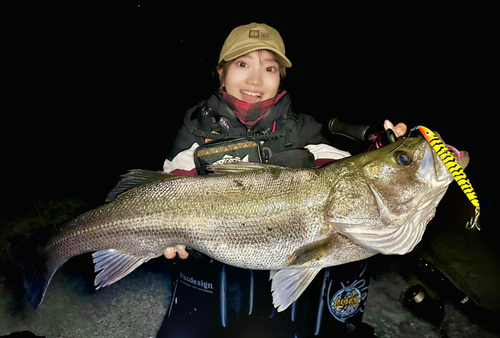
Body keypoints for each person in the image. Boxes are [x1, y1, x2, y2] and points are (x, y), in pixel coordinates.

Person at [157, 23, 407, 338]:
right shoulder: (193, 129)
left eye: (270, 68)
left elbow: (341, 173)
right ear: (221, 72)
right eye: (242, 64)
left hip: (280, 265)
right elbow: (169, 187)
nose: (255, 79)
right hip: (213, 270)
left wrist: (382, 155)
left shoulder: (304, 129)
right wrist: (170, 231)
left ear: (280, 78)